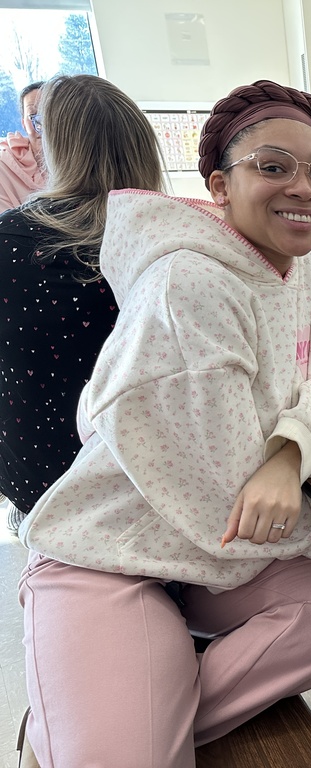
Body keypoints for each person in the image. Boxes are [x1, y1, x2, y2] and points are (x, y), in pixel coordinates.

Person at [17, 79, 311, 767]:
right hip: (111, 555)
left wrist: (290, 451)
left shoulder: (308, 274)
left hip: (207, 561)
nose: (303, 188)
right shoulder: (189, 283)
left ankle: (140, 719)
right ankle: (111, 724)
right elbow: (225, 504)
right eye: (273, 166)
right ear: (218, 185)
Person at [0, 75, 164, 534]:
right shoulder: (169, 242)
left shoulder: (9, 239)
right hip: (154, 484)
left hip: (40, 482)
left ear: (50, 147)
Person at [0, 81, 46, 211]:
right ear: (23, 124)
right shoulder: (4, 165)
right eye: (33, 116)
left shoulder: (83, 159)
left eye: (49, 114)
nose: (41, 125)